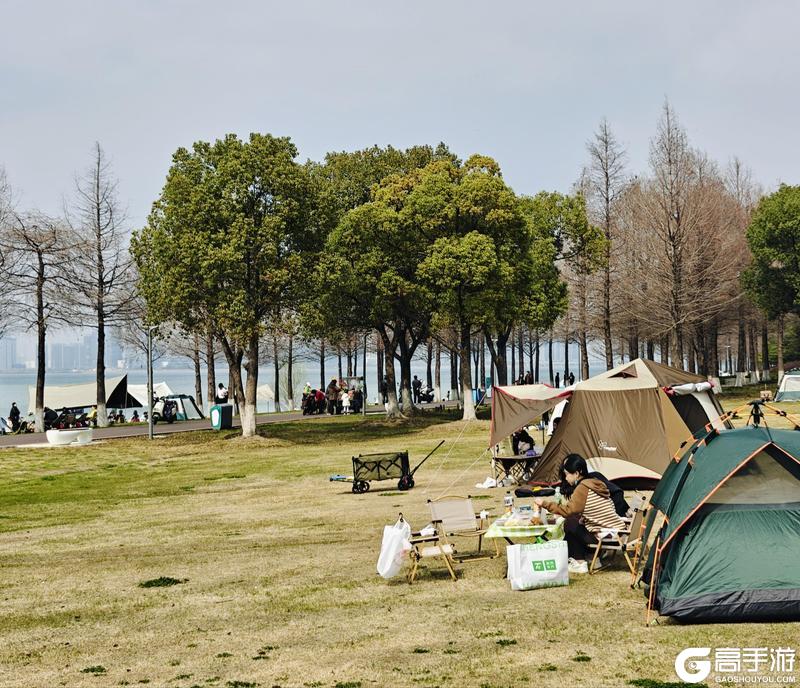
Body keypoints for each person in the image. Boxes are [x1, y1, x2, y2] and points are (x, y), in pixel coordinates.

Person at [534, 453, 626, 574]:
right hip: (616, 532)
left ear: (577, 473)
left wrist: (544, 503)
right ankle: (593, 557)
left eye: (567, 474)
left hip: (606, 536)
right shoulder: (594, 483)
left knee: (570, 523)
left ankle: (579, 562)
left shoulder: (582, 487)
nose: (565, 478)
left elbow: (567, 511)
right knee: (577, 521)